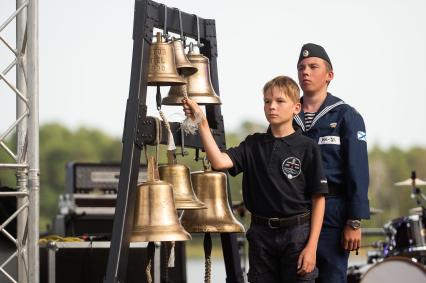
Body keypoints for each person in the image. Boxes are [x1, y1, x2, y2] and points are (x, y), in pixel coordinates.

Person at [183, 75, 328, 283]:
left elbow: (319, 199)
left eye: (280, 101)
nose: (272, 107)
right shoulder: (253, 144)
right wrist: (202, 123)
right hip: (261, 236)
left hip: (297, 235)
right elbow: (219, 162)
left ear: (296, 108)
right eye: (267, 101)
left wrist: (312, 247)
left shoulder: (307, 148)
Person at [294, 43, 370, 283]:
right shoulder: (288, 114)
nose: (305, 72)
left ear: (329, 75)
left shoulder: (346, 115)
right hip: (294, 212)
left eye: (313, 67)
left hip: (333, 212)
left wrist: (354, 220)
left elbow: (357, 170)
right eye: (301, 67)